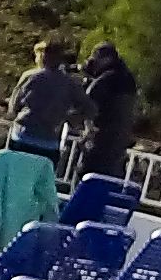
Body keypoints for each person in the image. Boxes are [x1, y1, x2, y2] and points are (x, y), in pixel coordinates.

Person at [8, 39, 83, 164]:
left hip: (24, 135)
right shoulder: (69, 82)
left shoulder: (30, 76)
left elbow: (14, 103)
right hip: (50, 140)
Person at [82, 41, 142, 185]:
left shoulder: (106, 79)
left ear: (105, 59)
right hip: (120, 142)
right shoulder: (128, 79)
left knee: (88, 177)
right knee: (109, 180)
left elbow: (87, 103)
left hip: (101, 139)